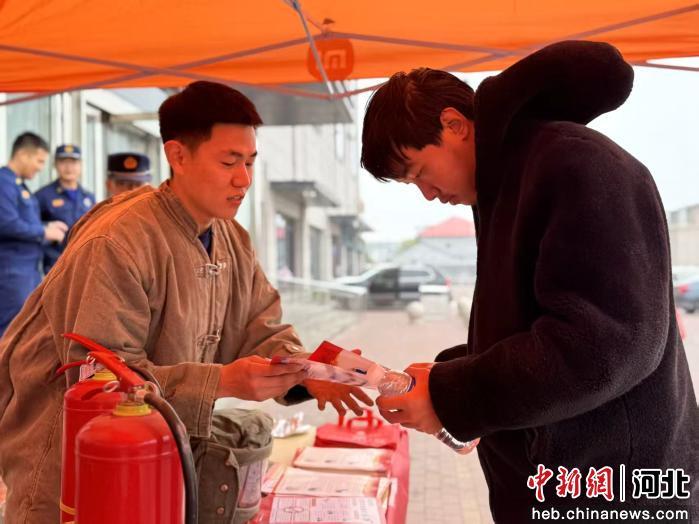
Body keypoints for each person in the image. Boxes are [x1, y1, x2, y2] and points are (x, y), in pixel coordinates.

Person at [0, 81, 371, 522]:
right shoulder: (118, 241)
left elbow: (260, 327)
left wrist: (309, 371)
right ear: (177, 156)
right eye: (229, 162)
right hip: (72, 467)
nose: (244, 179)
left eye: (250, 162)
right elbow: (101, 380)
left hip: (161, 457)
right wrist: (223, 382)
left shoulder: (232, 237)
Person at [363, 41, 697, 521]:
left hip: (614, 494)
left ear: (455, 125)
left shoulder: (576, 164)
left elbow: (603, 345)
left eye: (419, 172)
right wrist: (441, 377)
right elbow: (531, 324)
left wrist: (453, 395)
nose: (428, 195)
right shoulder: (509, 184)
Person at [0, 132, 67, 336]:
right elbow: (6, 223)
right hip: (11, 273)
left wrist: (47, 226)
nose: (40, 167)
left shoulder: (18, 186)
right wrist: (44, 231)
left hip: (26, 272)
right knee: (9, 331)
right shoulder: (3, 183)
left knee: (23, 331)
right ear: (23, 155)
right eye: (39, 161)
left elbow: (22, 222)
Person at [35, 144, 95, 272]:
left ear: (81, 165)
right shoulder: (42, 196)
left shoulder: (89, 197)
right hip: (54, 266)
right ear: (55, 164)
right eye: (63, 162)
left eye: (73, 162)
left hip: (84, 264)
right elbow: (33, 227)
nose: (69, 167)